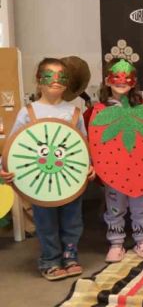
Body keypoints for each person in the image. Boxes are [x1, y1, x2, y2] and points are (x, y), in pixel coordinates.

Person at [0, 58, 95, 280]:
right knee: (45, 222)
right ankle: (50, 260)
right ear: (39, 80)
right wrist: (3, 168)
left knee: (72, 220)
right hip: (39, 182)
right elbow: (14, 144)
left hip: (70, 178)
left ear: (67, 82)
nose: (56, 81)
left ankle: (70, 256)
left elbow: (82, 144)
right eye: (49, 75)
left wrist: (90, 166)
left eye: (61, 76)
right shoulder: (28, 112)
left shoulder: (74, 112)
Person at [96, 59, 143, 262]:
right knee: (115, 206)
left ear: (134, 81)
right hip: (113, 169)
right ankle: (116, 243)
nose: (121, 81)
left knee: (140, 206)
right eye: (116, 76)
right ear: (107, 80)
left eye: (126, 77)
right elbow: (96, 140)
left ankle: (142, 240)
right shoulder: (100, 110)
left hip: (138, 167)